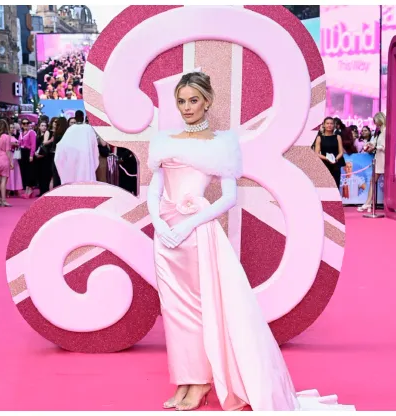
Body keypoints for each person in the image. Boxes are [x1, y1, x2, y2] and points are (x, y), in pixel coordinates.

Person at [147, 71, 353, 411]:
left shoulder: (221, 144)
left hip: (197, 233)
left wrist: (189, 225)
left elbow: (227, 198)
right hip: (166, 236)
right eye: (181, 101)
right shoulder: (164, 141)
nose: (187, 108)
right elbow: (155, 188)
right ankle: (184, 380)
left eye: (193, 100)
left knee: (203, 309)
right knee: (173, 311)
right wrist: (158, 223)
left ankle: (200, 384)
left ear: (207, 102)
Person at [54, 110, 99, 185]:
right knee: (86, 178)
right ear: (83, 117)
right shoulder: (88, 128)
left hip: (74, 158)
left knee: (75, 178)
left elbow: (62, 145)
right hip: (86, 158)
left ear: (75, 117)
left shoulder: (70, 129)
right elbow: (94, 144)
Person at [359, 112, 386, 212]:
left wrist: (375, 147)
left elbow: (385, 147)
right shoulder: (379, 132)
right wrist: (369, 145)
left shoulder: (386, 131)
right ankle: (368, 203)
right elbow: (374, 142)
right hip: (378, 158)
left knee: (376, 181)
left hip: (384, 159)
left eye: (377, 122)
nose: (376, 124)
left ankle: (369, 203)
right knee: (372, 181)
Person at [313, 116, 344, 187]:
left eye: (331, 123)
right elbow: (316, 153)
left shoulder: (338, 137)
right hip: (324, 164)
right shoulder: (319, 138)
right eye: (327, 123)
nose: (329, 125)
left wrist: (335, 159)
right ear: (324, 125)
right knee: (325, 185)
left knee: (336, 184)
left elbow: (341, 152)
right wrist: (327, 158)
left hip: (336, 163)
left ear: (334, 125)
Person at [34, 120, 54, 196]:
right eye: (42, 125)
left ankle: (45, 191)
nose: (43, 127)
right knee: (39, 175)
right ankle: (41, 191)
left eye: (45, 126)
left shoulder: (48, 135)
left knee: (45, 175)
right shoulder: (37, 135)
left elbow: (48, 147)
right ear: (39, 127)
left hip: (46, 158)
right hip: (38, 158)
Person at [18, 119, 37, 198]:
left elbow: (33, 144)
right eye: (24, 123)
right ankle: (27, 190)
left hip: (28, 152)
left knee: (29, 171)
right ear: (21, 125)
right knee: (24, 172)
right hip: (22, 153)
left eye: (27, 123)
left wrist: (31, 155)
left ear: (29, 124)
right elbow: (19, 143)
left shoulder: (31, 132)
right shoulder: (21, 133)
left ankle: (30, 190)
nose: (25, 125)